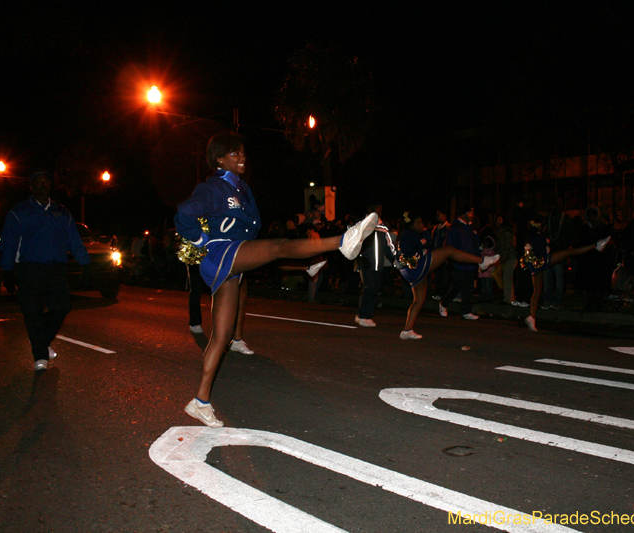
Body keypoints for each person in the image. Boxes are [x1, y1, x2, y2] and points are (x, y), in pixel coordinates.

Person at [175, 132, 377, 427]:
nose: (242, 157)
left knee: (221, 337)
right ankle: (342, 241)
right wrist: (201, 238)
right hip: (220, 252)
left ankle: (200, 401)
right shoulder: (213, 187)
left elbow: (253, 228)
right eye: (234, 153)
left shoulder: (243, 189)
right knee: (277, 247)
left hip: (236, 256)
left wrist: (248, 248)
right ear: (219, 159)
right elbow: (184, 214)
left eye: (243, 152)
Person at [0, 169, 91, 371]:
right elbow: (9, 242)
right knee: (32, 312)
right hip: (30, 269)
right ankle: (40, 356)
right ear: (31, 187)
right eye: (39, 181)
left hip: (56, 269)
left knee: (62, 306)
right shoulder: (19, 212)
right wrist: (7, 269)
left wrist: (85, 262)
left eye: (47, 182)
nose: (44, 184)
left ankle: (41, 342)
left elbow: (74, 240)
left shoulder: (62, 212)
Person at [397, 214, 500, 339]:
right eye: (418, 223)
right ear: (411, 224)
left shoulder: (411, 233)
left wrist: (424, 236)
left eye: (421, 223)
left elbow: (427, 242)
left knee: (419, 300)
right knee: (449, 251)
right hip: (415, 266)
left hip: (411, 270)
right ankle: (482, 261)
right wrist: (423, 241)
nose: (421, 225)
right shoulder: (408, 234)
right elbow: (419, 246)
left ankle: (407, 330)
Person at [523, 214, 611, 332]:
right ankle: (596, 245)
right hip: (541, 262)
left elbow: (531, 252)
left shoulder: (532, 237)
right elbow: (536, 251)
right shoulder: (537, 238)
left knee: (537, 291)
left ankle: (532, 317)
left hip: (538, 264)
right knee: (569, 252)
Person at [439, 206, 482, 320]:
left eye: (472, 213)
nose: (471, 215)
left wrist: (477, 258)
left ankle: (466, 311)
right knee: (457, 284)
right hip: (459, 262)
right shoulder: (456, 227)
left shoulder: (471, 228)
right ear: (462, 214)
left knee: (468, 286)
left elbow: (476, 245)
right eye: (469, 212)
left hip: (470, 262)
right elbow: (449, 244)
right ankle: (444, 303)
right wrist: (452, 258)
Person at [355, 205, 394, 327]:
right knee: (368, 288)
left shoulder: (383, 227)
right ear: (369, 209)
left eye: (380, 208)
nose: (379, 210)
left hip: (379, 265)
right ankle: (361, 315)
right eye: (376, 208)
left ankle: (368, 315)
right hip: (367, 264)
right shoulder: (363, 224)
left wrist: (396, 258)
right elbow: (354, 242)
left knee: (374, 290)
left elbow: (389, 247)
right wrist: (361, 258)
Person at [541, 200, 573, 310]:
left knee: (559, 279)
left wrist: (564, 249)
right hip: (549, 253)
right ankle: (548, 300)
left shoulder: (565, 219)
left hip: (559, 253)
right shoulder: (548, 219)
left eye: (555, 205)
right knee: (547, 278)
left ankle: (558, 301)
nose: (553, 207)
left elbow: (569, 236)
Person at [430, 209, 452, 300]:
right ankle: (439, 293)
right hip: (436, 254)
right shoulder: (436, 228)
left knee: (445, 275)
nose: (437, 216)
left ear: (444, 215)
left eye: (439, 214)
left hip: (444, 255)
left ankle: (446, 294)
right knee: (438, 274)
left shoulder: (448, 227)